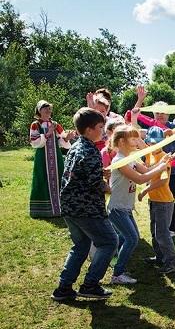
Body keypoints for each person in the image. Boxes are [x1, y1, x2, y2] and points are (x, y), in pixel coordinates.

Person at [51, 108, 117, 301]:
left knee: (80, 245)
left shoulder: (76, 147)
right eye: (99, 127)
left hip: (70, 207)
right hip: (85, 208)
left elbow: (80, 174)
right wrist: (108, 186)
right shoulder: (90, 152)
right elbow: (95, 184)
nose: (103, 130)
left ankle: (64, 288)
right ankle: (90, 284)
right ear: (89, 130)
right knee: (109, 242)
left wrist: (99, 172)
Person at [108, 125, 171, 284]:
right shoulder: (120, 161)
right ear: (122, 142)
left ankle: (116, 263)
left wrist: (162, 162)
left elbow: (146, 170)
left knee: (125, 238)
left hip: (126, 208)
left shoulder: (132, 159)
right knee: (132, 239)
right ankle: (117, 274)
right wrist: (161, 167)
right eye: (134, 138)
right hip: (117, 208)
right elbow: (141, 179)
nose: (138, 141)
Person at [139, 126, 175, 274]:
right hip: (154, 200)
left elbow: (163, 181)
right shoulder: (150, 154)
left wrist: (146, 189)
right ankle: (160, 257)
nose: (154, 145)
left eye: (157, 142)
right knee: (154, 231)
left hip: (164, 201)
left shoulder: (164, 158)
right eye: (151, 142)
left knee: (162, 233)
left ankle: (172, 262)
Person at [29, 100, 74, 218]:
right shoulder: (35, 124)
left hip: (56, 156)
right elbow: (35, 142)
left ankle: (60, 208)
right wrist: (48, 133)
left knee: (59, 177)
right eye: (46, 108)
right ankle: (42, 210)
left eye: (49, 109)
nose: (48, 111)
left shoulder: (55, 124)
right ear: (39, 111)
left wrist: (67, 137)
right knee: (42, 178)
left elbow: (61, 138)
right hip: (42, 157)